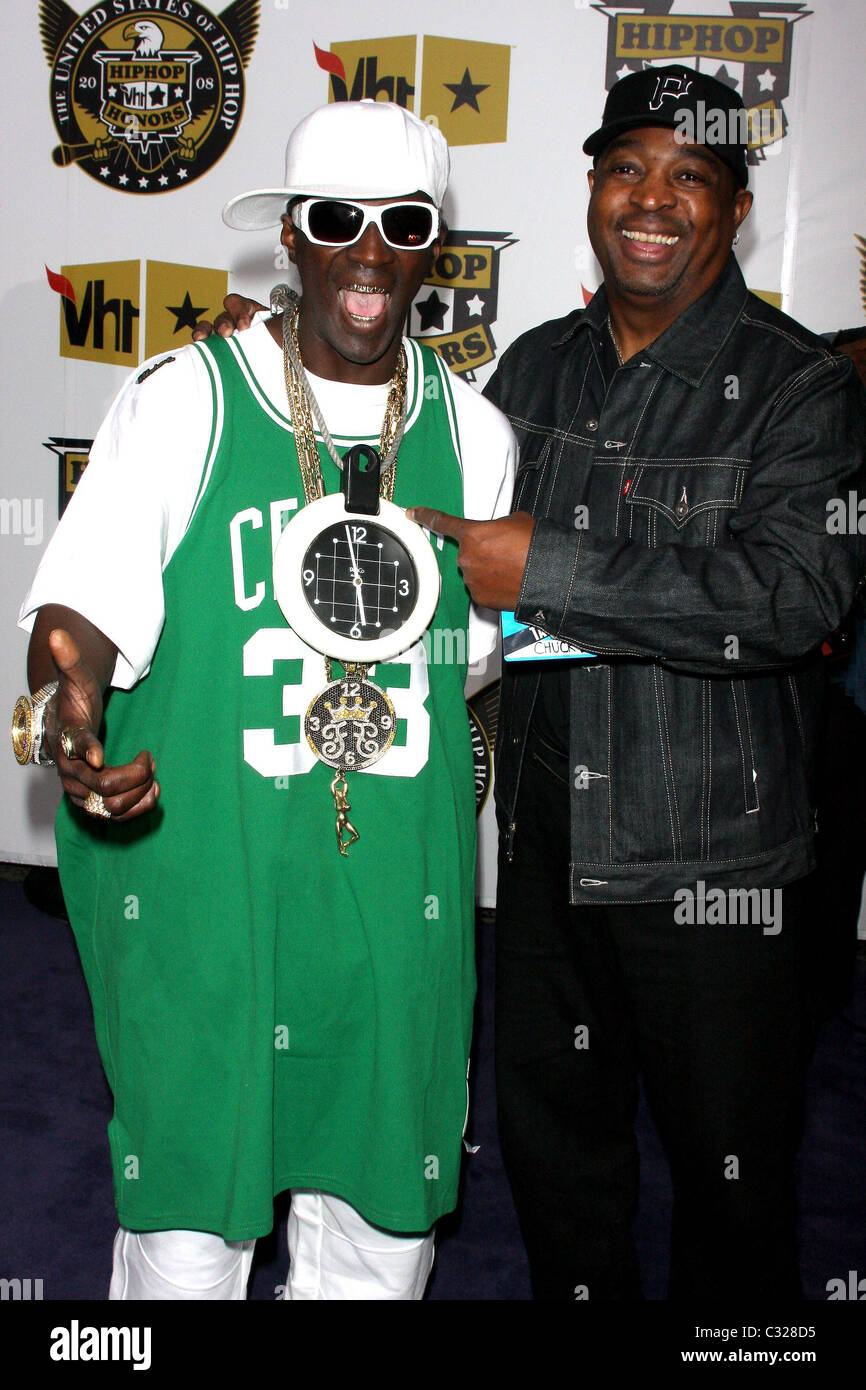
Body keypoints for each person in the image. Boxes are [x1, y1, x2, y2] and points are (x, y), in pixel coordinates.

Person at [14, 99, 515, 1300]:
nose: (368, 253)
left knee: (384, 1233)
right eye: (336, 219)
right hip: (212, 894)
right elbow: (76, 611)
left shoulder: (477, 435)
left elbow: (471, 675)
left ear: (434, 249)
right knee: (189, 1236)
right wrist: (68, 712)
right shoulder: (184, 396)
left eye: (402, 225)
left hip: (393, 906)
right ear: (291, 236)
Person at [407, 66, 866, 1299]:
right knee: (557, 1163)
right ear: (593, 187)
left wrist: (543, 564)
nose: (648, 200)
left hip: (710, 875)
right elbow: (435, 526)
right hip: (549, 852)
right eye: (624, 169)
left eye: (686, 176)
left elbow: (793, 597)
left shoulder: (798, 383)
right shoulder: (532, 364)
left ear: (733, 207)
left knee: (732, 1185)